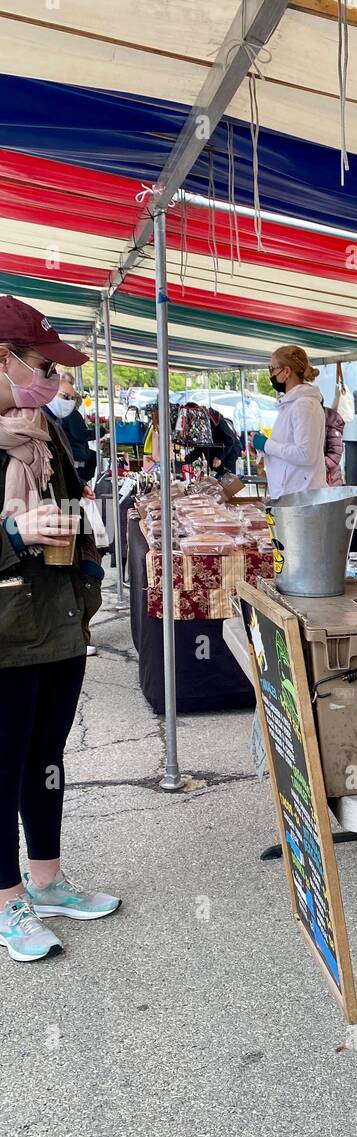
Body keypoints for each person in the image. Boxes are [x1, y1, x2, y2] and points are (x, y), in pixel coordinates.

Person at [0, 294, 121, 962]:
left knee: (45, 761)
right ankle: (8, 902)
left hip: (59, 620)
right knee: (3, 769)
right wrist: (13, 530)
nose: (50, 378)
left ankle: (47, 881)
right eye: (41, 364)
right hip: (6, 631)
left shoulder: (46, 431)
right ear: (3, 357)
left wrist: (87, 552)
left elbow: (73, 500)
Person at [263, 345, 326, 497]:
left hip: (301, 497)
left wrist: (266, 445)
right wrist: (263, 450)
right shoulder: (291, 404)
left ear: (286, 371)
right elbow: (287, 445)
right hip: (292, 495)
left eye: (272, 369)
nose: (271, 374)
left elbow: (306, 454)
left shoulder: (304, 405)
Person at [45, 373, 93, 480]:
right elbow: (80, 435)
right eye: (65, 396)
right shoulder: (43, 417)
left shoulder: (55, 417)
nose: (68, 402)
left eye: (71, 398)